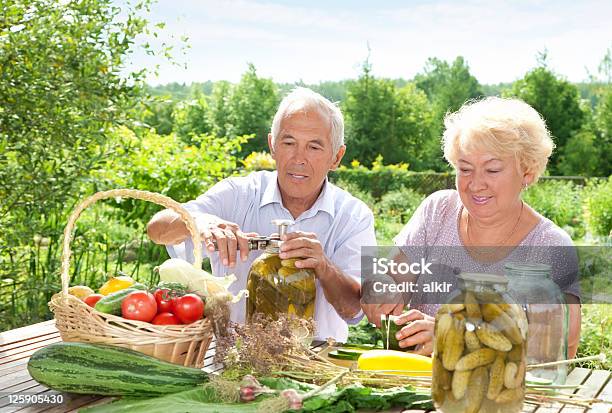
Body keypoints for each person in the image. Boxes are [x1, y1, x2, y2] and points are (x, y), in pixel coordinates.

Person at [147, 87, 375, 341]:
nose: (298, 158)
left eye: (314, 147)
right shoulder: (238, 193)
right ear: (272, 146)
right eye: (288, 143)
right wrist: (201, 222)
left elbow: (355, 310)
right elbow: (157, 229)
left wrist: (323, 266)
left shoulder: (355, 216)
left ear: (336, 157)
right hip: (231, 363)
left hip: (315, 371)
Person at [362, 97, 581, 358]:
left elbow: (561, 345)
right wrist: (380, 290)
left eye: (492, 170)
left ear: (528, 172)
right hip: (417, 384)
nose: (475, 184)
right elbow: (390, 280)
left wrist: (456, 338)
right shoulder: (438, 211)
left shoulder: (551, 246)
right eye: (465, 169)